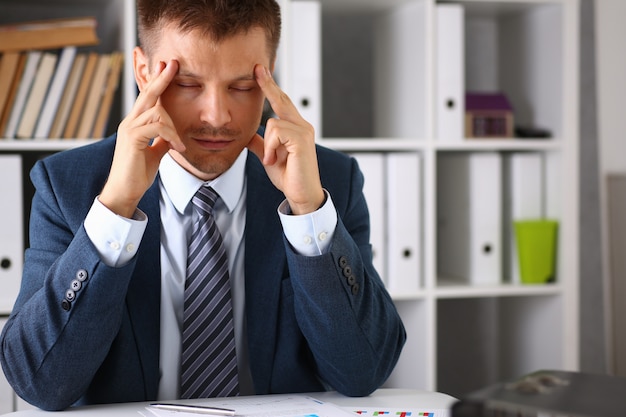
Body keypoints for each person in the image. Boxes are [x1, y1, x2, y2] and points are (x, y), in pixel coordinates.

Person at [0, 0, 406, 411]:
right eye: (188, 84)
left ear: (271, 73)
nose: (217, 115)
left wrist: (308, 212)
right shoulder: (67, 185)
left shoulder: (329, 182)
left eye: (243, 86)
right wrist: (115, 209)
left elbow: (363, 372)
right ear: (144, 72)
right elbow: (40, 384)